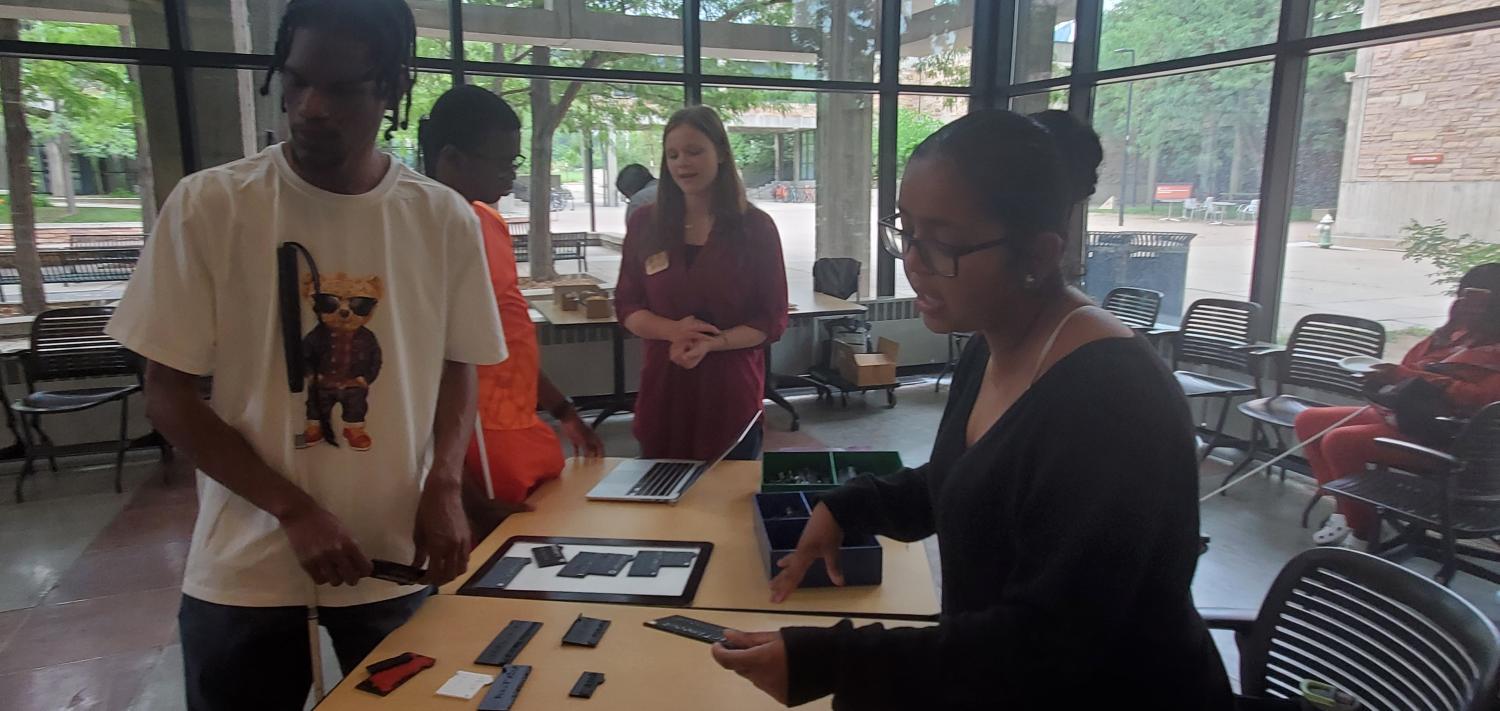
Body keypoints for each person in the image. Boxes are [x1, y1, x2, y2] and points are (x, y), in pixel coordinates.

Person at [710, 110, 1233, 710]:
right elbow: (974, 482)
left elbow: (1050, 644)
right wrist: (851, 504)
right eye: (907, 232)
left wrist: (835, 661)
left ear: (1039, 252)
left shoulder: (1110, 401)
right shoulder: (992, 344)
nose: (913, 261)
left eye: (945, 244)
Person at [105, 1, 507, 708]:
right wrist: (292, 509)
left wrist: (444, 482)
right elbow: (167, 390)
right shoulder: (211, 206)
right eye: (295, 82)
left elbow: (457, 364)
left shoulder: (441, 217)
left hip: (393, 561)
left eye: (343, 88)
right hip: (245, 571)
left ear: (390, 90)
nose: (311, 107)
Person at [418, 84, 605, 535]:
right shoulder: (419, 236)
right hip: (469, 458)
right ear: (451, 159)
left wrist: (561, 410)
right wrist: (458, 492)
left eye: (515, 161)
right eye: (502, 161)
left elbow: (507, 335)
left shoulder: (487, 223)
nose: (511, 174)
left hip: (516, 440)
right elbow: (415, 385)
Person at [615, 107, 788, 461]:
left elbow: (771, 319)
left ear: (721, 153)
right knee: (661, 506)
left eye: (694, 152)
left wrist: (713, 344)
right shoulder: (646, 224)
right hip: (664, 391)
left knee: (724, 510)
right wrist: (674, 331)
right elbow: (627, 306)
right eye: (673, 154)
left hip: (729, 394)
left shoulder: (755, 228)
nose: (682, 164)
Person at [1297, 262, 1500, 546]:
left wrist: (1404, 375)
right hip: (1409, 417)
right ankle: (1347, 509)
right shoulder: (1460, 335)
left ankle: (1364, 530)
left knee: (1339, 441)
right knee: (1309, 421)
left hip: (1444, 437)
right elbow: (1410, 364)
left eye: (1476, 299)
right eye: (1463, 295)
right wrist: (1445, 330)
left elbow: (1476, 398)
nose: (1465, 304)